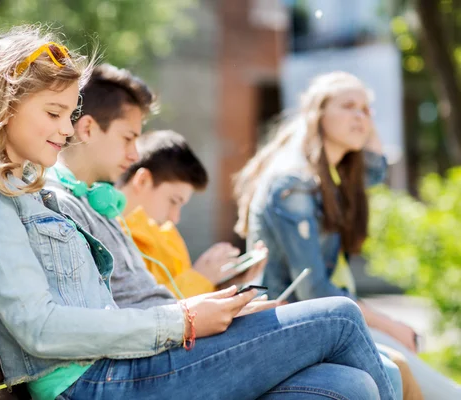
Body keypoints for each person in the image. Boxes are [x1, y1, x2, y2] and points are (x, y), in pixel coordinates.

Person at [43, 62, 399, 399]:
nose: (136, 153)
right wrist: (194, 315)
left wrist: (219, 306)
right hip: (127, 370)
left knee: (351, 384)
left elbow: (143, 302)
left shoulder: (99, 204)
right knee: (341, 316)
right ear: (88, 129)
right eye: (128, 138)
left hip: (155, 350)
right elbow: (101, 322)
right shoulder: (62, 204)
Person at [234, 70, 458, 400]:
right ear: (317, 114)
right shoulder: (292, 184)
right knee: (435, 386)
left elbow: (376, 165)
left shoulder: (329, 176)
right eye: (348, 106)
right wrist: (388, 323)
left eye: (368, 110)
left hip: (328, 322)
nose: (362, 117)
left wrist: (361, 119)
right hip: (291, 326)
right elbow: (314, 291)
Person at [115, 129, 265, 298]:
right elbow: (149, 313)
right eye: (173, 201)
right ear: (142, 181)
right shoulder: (108, 236)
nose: (175, 218)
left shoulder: (167, 235)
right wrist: (201, 277)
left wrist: (222, 283)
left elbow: (191, 307)